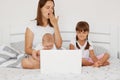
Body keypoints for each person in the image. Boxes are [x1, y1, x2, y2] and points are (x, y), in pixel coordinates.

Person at [21, 0, 62, 69]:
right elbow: (27, 49)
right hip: (37, 56)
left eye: (52, 8)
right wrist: (37, 52)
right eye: (47, 7)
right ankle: (51, 66)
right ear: (40, 8)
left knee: (63, 56)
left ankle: (47, 65)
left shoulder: (53, 25)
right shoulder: (32, 25)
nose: (51, 10)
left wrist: (55, 25)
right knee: (25, 62)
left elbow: (58, 45)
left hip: (52, 55)